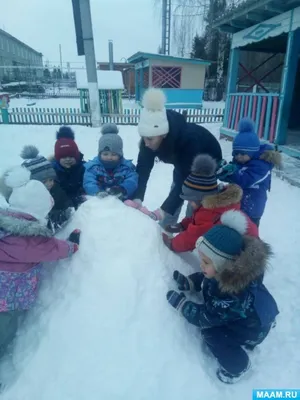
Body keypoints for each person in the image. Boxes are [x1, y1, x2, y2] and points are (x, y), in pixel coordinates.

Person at [166, 209, 279, 384]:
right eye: (201, 259)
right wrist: (189, 283)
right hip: (258, 310)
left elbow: (206, 317)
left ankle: (237, 366)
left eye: (206, 262)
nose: (201, 265)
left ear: (223, 264)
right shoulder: (225, 273)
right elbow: (206, 278)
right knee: (209, 277)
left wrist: (183, 305)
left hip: (252, 328)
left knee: (212, 333)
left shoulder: (231, 296)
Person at [0, 166, 80, 364]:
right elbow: (58, 249)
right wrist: (74, 244)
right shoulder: (35, 239)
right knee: (3, 331)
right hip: (8, 300)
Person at [132, 88, 222, 228]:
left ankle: (190, 228)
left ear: (163, 134)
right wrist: (137, 197)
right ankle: (166, 228)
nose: (146, 143)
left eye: (149, 139)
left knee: (194, 198)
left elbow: (184, 181)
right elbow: (143, 168)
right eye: (143, 138)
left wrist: (162, 211)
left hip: (206, 160)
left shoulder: (188, 140)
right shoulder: (149, 138)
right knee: (177, 187)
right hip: (182, 162)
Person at [161, 154, 258, 253]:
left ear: (200, 198)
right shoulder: (211, 203)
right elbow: (196, 220)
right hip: (243, 242)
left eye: (191, 200)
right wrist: (183, 225)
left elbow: (192, 238)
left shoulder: (210, 212)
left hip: (245, 251)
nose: (189, 203)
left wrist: (172, 244)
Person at [217, 118, 282, 226]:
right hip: (239, 204)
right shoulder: (241, 161)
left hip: (253, 207)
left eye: (242, 154)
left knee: (250, 233)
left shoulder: (262, 165)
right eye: (236, 153)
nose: (239, 157)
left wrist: (231, 173)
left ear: (253, 152)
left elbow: (245, 180)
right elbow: (234, 175)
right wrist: (223, 172)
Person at [20, 145, 74, 233]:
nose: (49, 184)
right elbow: (38, 218)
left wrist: (68, 209)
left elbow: (65, 201)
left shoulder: (55, 188)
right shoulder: (30, 197)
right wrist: (57, 216)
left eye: (51, 179)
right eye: (44, 181)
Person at [83, 124, 138, 200]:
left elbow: (132, 181)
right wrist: (96, 192)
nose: (109, 157)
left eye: (114, 154)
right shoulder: (93, 167)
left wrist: (122, 189)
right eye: (105, 154)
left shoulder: (126, 167)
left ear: (120, 155)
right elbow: (89, 182)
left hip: (121, 201)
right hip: (98, 201)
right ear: (100, 153)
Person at [52, 126, 86, 209]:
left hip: (81, 204)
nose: (68, 159)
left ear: (77, 156)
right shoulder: (53, 171)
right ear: (57, 158)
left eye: (71, 156)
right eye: (63, 157)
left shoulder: (83, 168)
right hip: (61, 204)